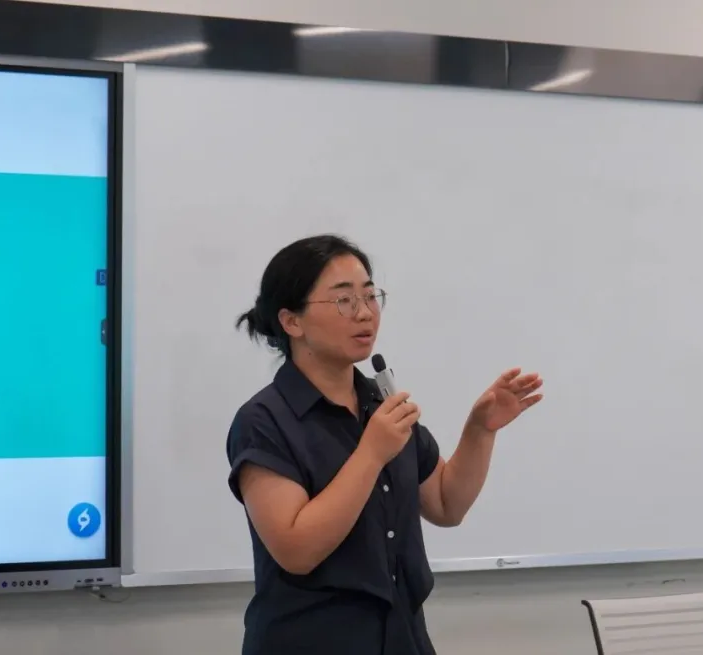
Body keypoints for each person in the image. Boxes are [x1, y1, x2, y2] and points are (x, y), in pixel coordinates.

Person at [226, 234, 542, 655]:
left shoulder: (380, 402)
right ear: (292, 322)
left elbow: (446, 504)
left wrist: (480, 430)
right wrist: (371, 454)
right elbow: (297, 550)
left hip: (403, 637)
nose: (365, 313)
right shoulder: (263, 421)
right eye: (343, 300)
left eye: (370, 296)